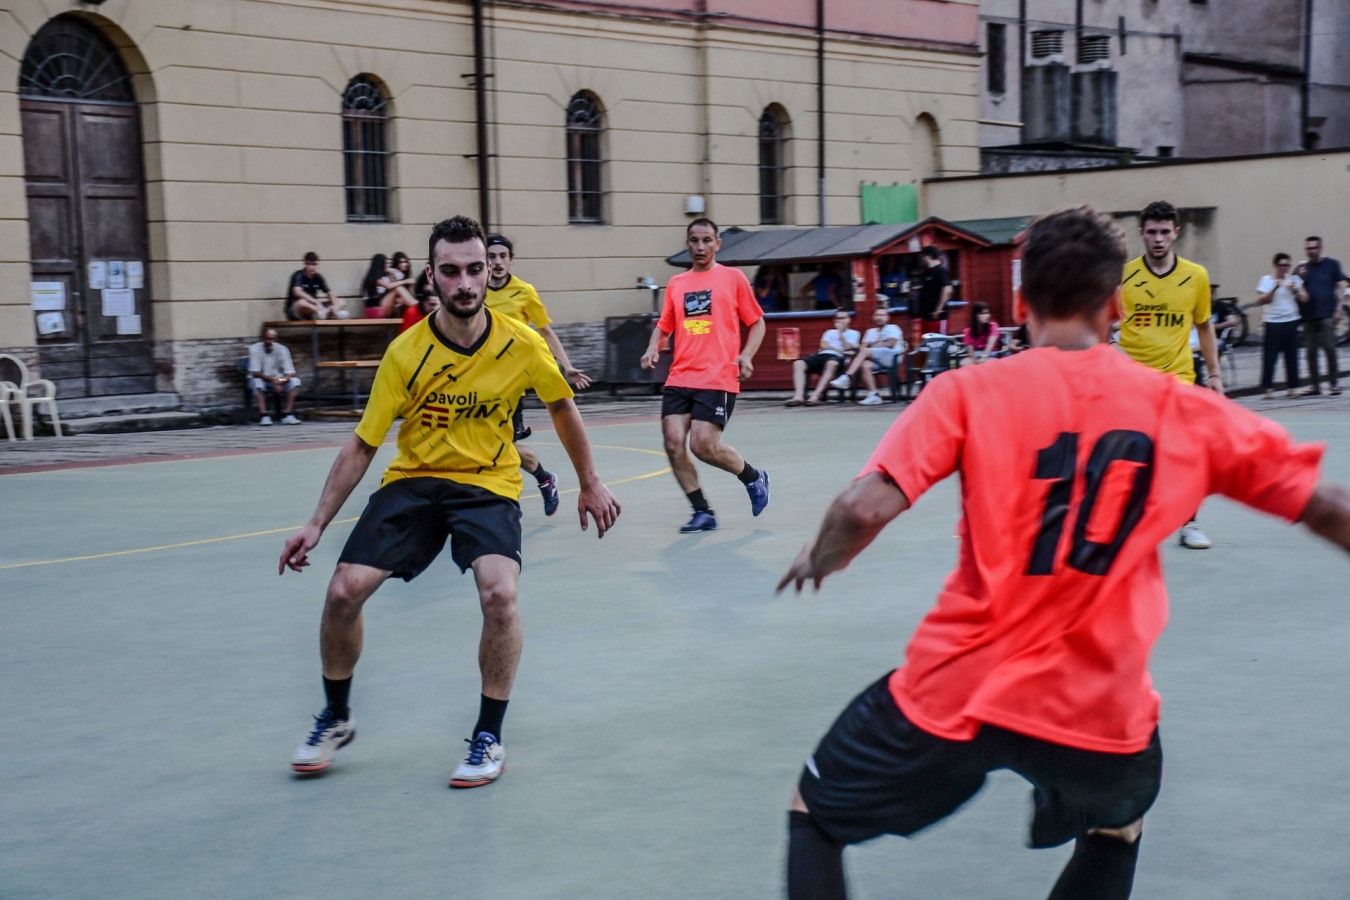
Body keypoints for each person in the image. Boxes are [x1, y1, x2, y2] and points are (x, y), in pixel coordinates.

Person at [777, 204, 1350, 900]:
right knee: (1116, 826)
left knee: (814, 816)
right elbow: (1326, 507)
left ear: (1021, 304)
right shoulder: (1181, 410)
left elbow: (861, 508)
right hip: (1100, 702)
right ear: (1116, 306)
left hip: (963, 682)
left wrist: (822, 558)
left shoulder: (967, 391)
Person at [280, 215, 620, 787]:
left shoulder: (521, 342)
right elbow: (363, 443)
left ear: (489, 271)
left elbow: (562, 406)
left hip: (487, 485)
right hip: (415, 480)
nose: (464, 282)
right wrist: (316, 522)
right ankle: (336, 716)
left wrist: (590, 480)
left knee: (501, 594)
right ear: (431, 276)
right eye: (451, 271)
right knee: (341, 591)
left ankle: (488, 736)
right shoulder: (405, 351)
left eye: (474, 269)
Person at [639, 217, 769, 533]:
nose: (700, 246)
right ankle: (702, 512)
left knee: (702, 445)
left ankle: (753, 477)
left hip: (718, 376)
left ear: (717, 244)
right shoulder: (677, 284)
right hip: (680, 376)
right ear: (687, 244)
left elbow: (757, 322)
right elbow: (664, 326)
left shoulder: (733, 278)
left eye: (707, 240)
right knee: (673, 443)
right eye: (694, 241)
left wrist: (746, 355)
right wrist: (653, 347)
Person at [1119, 199, 1220, 550]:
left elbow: (1204, 326)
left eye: (1164, 232)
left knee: (1185, 453)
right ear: (1142, 234)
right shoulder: (1123, 277)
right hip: (1133, 382)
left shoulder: (1196, 276)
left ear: (1176, 233)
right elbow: (1103, 324)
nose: (1158, 239)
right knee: (1134, 457)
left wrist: (1215, 375)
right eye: (1152, 232)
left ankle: (1189, 523)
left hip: (1179, 377)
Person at [483, 234, 591, 517]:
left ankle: (535, 483)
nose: (497, 262)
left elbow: (545, 330)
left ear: (511, 259)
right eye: (491, 256)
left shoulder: (524, 291)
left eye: (502, 256)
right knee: (487, 442)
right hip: (479, 380)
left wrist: (566, 365)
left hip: (511, 383)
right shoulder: (476, 291)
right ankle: (540, 479)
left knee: (500, 445)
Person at [1296, 236, 1348, 396]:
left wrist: (1339, 308)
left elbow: (1342, 285)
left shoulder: (1332, 264)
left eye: (1314, 248)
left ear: (1320, 248)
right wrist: (1299, 281)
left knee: (1330, 348)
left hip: (1327, 313)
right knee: (1310, 352)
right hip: (1308, 315)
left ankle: (1334, 384)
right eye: (1308, 248)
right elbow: (1294, 287)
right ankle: (1315, 386)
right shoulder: (1302, 268)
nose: (1311, 251)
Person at [828, 306, 905, 405]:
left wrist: (872, 346)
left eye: (882, 315)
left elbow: (890, 344)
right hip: (877, 359)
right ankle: (874, 395)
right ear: (873, 317)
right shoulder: (870, 332)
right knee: (865, 365)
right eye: (877, 315)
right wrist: (874, 346)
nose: (879, 317)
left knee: (865, 352)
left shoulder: (893, 328)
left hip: (892, 357)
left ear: (887, 318)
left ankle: (847, 377)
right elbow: (862, 348)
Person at [1256, 253, 1306, 398]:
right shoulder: (1266, 280)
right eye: (1281, 265)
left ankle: (1292, 388)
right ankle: (1268, 388)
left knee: (1292, 355)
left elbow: (1305, 298)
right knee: (1270, 356)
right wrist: (1275, 287)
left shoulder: (1294, 279)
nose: (1284, 268)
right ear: (1275, 265)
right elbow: (1263, 300)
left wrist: (1295, 289)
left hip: (1291, 320)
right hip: (1273, 321)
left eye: (1287, 265)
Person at [787, 311, 859, 407]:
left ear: (849, 320)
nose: (840, 320)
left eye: (843, 318)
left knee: (831, 364)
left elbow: (847, 347)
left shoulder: (854, 333)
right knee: (798, 363)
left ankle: (815, 396)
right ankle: (798, 397)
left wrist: (840, 334)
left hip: (838, 358)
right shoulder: (829, 332)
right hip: (822, 355)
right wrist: (840, 350)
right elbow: (824, 346)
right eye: (838, 318)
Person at [248, 327, 302, 425]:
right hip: (262, 378)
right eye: (268, 339)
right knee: (257, 383)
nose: (270, 342)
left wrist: (280, 381)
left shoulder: (282, 349)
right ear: (263, 338)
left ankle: (287, 414)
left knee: (295, 381)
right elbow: (255, 372)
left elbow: (290, 372)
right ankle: (264, 415)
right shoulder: (255, 349)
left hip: (278, 379)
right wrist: (273, 380)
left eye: (272, 339)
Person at [286, 252, 347, 320]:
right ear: (305, 263)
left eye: (314, 264)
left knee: (341, 301)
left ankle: (326, 312)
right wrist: (315, 301)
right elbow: (297, 292)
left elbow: (329, 293)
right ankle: (325, 312)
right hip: (296, 310)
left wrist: (335, 306)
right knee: (302, 303)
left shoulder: (318, 277)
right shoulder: (298, 275)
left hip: (314, 308)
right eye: (309, 264)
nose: (311, 267)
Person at [913, 245, 952, 342]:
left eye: (923, 256)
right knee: (928, 344)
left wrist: (939, 309)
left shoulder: (940, 270)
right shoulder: (926, 272)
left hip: (938, 317)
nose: (922, 259)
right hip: (926, 316)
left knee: (940, 342)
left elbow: (947, 289)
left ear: (928, 256)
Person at [360, 253, 415, 319]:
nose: (388, 265)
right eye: (386, 263)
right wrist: (405, 281)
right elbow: (388, 286)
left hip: (381, 308)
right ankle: (417, 307)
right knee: (398, 289)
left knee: (400, 298)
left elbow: (399, 277)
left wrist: (391, 271)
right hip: (374, 311)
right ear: (380, 264)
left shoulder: (384, 277)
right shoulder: (374, 278)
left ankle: (413, 312)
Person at [400, 269, 439, 334]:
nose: (432, 298)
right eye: (427, 293)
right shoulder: (413, 313)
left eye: (436, 293)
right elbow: (406, 338)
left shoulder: (450, 315)